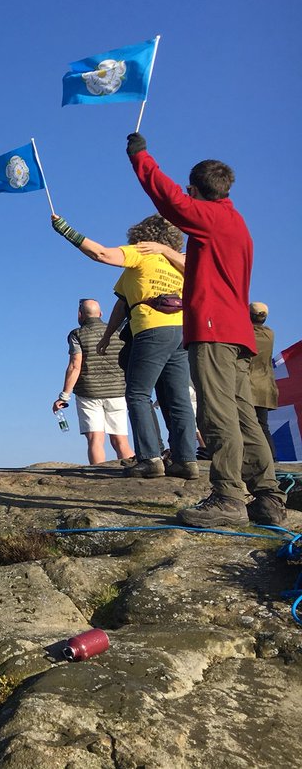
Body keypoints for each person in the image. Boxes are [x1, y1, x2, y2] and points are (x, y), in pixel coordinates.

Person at [125, 133, 285, 527]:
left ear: (195, 190)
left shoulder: (209, 217)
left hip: (212, 330)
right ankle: (267, 497)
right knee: (243, 414)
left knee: (217, 414)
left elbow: (169, 201)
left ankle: (228, 499)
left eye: (189, 191)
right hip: (235, 331)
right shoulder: (236, 222)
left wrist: (140, 156)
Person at [50, 213, 198, 479]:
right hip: (181, 331)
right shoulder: (179, 263)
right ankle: (186, 459)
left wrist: (65, 230)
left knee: (138, 394)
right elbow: (122, 302)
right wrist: (108, 336)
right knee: (177, 399)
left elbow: (101, 254)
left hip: (151, 329)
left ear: (143, 236)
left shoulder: (142, 253)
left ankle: (150, 458)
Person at [52, 298, 134, 465]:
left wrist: (64, 396)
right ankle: (132, 473)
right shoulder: (117, 331)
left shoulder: (77, 334)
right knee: (121, 440)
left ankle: (97, 475)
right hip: (118, 391)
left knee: (95, 439)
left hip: (89, 393)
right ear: (101, 314)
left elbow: (75, 366)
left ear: (80, 315)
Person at [249, 301, 279, 459]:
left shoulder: (246, 333)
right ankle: (272, 458)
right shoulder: (269, 334)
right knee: (262, 425)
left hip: (249, 386)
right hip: (265, 386)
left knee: (247, 426)